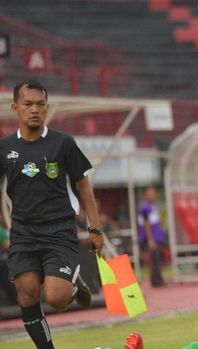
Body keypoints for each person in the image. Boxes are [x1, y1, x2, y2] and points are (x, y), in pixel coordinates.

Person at [0, 79, 104, 349]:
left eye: (40, 104)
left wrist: (95, 228)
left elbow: (83, 185)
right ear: (15, 107)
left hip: (59, 230)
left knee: (56, 299)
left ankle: (72, 283)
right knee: (26, 293)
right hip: (23, 231)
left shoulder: (63, 143)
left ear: (46, 108)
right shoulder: (4, 148)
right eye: (28, 104)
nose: (34, 110)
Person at [137, 185, 166, 287]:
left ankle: (157, 280)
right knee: (154, 260)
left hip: (157, 238)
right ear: (145, 195)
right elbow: (146, 224)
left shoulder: (152, 206)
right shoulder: (144, 207)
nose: (152, 195)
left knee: (157, 259)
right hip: (151, 239)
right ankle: (156, 281)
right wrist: (150, 239)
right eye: (150, 193)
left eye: (153, 193)